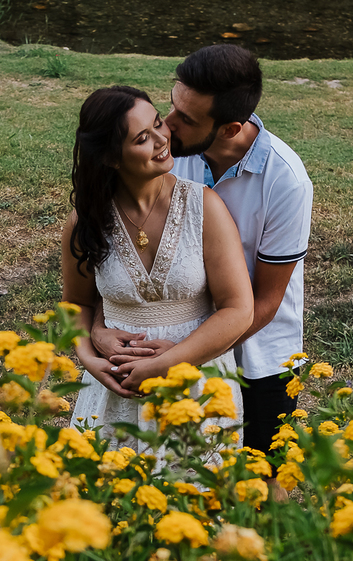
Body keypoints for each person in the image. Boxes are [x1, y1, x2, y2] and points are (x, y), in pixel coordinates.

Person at [92, 45, 314, 457]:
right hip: (170, 346)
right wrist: (105, 330)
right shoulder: (169, 155)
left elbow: (265, 301)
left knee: (260, 480)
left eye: (186, 119)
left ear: (230, 129)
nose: (168, 126)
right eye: (171, 106)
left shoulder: (286, 182)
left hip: (260, 356)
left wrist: (181, 353)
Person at [61, 86, 253, 453]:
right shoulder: (87, 220)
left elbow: (238, 309)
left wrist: (167, 362)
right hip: (114, 388)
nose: (162, 139)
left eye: (158, 123)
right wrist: (88, 357)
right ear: (111, 158)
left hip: (195, 383)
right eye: (142, 138)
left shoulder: (204, 207)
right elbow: (75, 303)